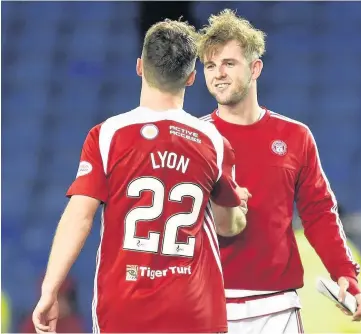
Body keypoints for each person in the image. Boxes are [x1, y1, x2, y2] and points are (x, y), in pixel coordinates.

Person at [32, 19, 249, 334]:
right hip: (195, 311)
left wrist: (50, 289)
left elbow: (79, 217)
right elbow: (229, 225)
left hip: (124, 309)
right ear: (191, 78)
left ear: (139, 67)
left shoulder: (107, 135)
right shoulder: (214, 142)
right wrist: (240, 209)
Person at [198, 9, 361, 333]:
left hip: (277, 308)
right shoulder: (193, 138)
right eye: (210, 66)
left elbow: (319, 212)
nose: (218, 73)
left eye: (229, 63)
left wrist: (344, 273)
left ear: (255, 67)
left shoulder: (295, 137)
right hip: (208, 304)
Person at [20, 277, 85, 333]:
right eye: (63, 297)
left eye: (69, 298)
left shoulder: (73, 323)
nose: (68, 303)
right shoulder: (34, 325)